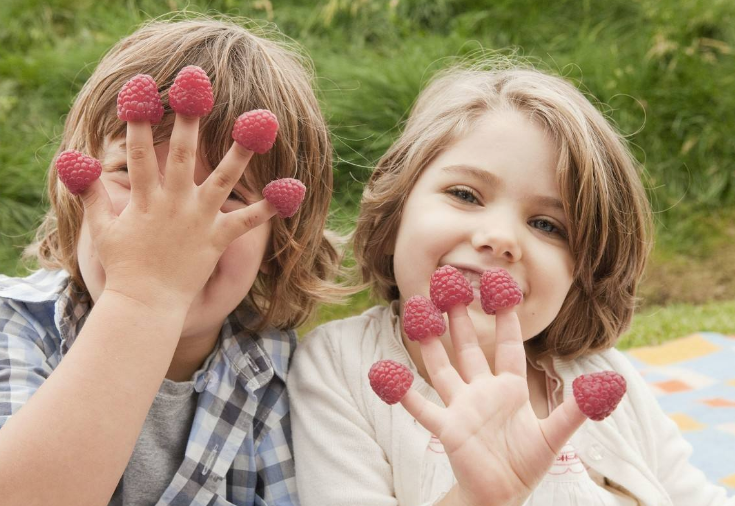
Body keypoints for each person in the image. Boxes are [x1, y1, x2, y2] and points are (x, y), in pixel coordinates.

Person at [0, 16, 343, 506]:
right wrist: (145, 297)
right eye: (130, 171)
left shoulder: (283, 374)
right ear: (75, 195)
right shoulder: (10, 320)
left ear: (278, 243)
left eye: (225, 192)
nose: (169, 220)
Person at [288, 58, 735, 505]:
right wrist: (476, 498)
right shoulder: (338, 366)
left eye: (547, 225)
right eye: (465, 195)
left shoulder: (602, 375)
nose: (501, 238)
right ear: (393, 215)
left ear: (581, 279)